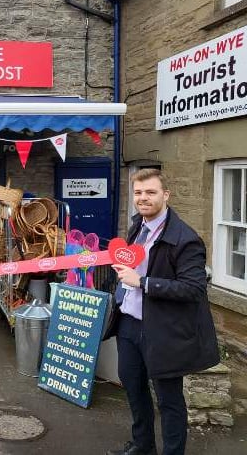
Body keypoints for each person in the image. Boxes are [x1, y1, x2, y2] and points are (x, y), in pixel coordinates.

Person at [105, 169, 219, 455]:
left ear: (165, 195)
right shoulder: (137, 226)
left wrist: (142, 282)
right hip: (129, 324)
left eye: (150, 192)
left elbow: (193, 289)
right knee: (134, 389)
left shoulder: (185, 239)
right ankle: (143, 446)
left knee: (169, 400)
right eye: (139, 193)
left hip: (163, 331)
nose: (143, 198)